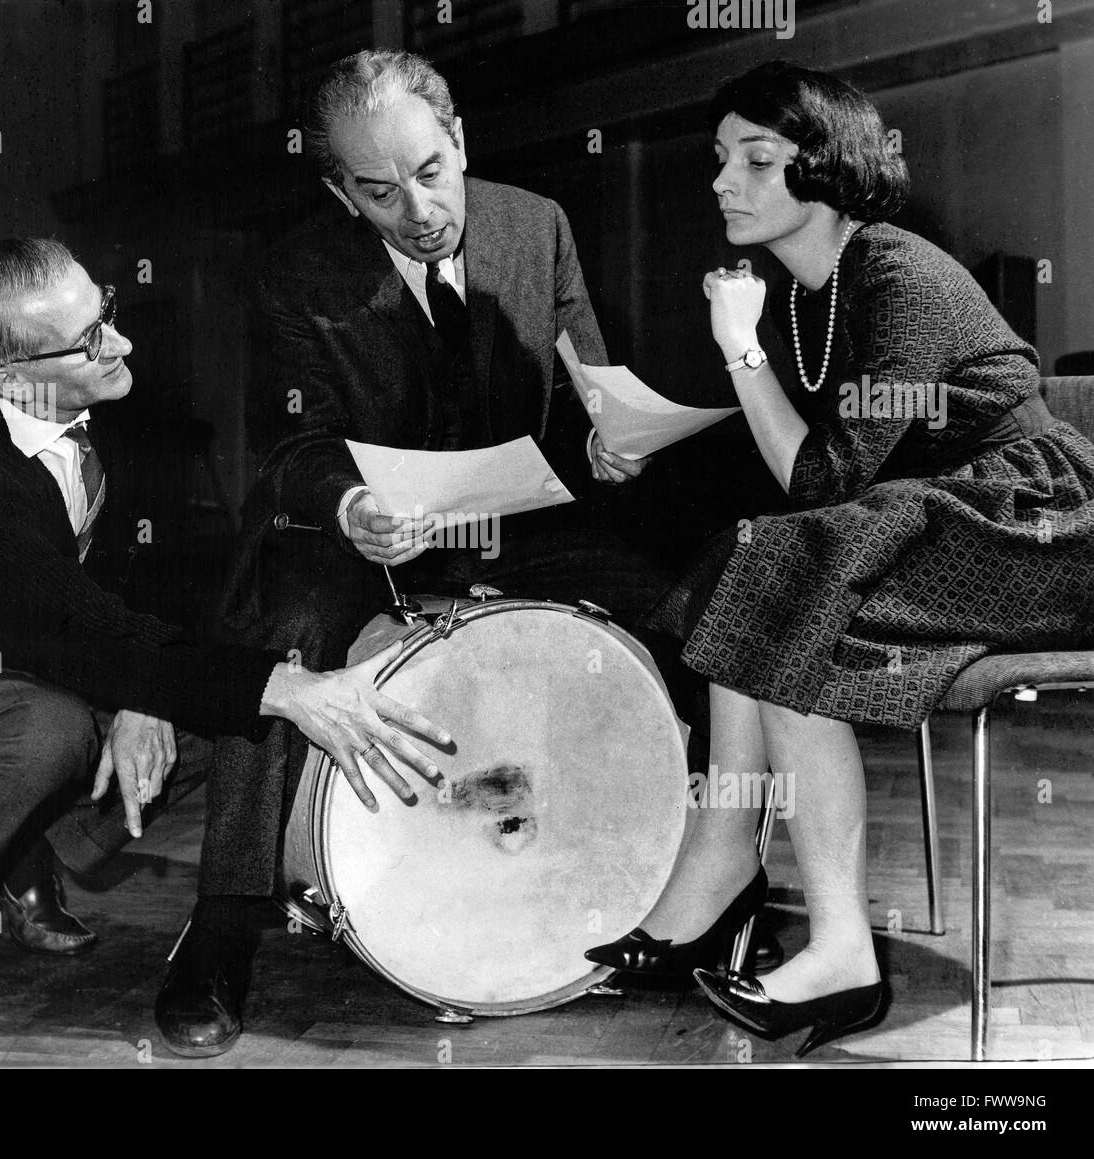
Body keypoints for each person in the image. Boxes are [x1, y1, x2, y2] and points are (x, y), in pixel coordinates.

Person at [171, 48, 709, 1056]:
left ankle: (696, 891)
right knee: (278, 641)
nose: (417, 209)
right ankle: (223, 925)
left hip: (515, 520)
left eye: (429, 170)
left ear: (458, 138)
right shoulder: (292, 274)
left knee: (698, 614)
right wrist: (351, 505)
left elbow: (593, 379)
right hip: (364, 535)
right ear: (340, 190)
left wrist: (611, 436)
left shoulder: (535, 223)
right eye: (378, 191)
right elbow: (292, 441)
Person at [587, 60, 1094, 1056]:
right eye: (718, 160)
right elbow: (816, 478)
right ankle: (727, 858)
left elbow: (820, 483)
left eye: (756, 159)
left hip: (1043, 527)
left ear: (824, 168)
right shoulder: (812, 295)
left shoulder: (895, 273)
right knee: (756, 559)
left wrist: (738, 350)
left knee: (787, 563)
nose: (722, 181)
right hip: (954, 520)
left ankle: (825, 943)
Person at [0, 239, 449, 1041]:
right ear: (9, 382)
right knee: (50, 730)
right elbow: (73, 628)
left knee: (219, 716)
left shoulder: (119, 408)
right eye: (89, 340)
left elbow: (164, 587)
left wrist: (146, 692)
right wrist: (266, 686)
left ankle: (23, 851)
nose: (120, 344)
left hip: (45, 662)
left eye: (108, 313)